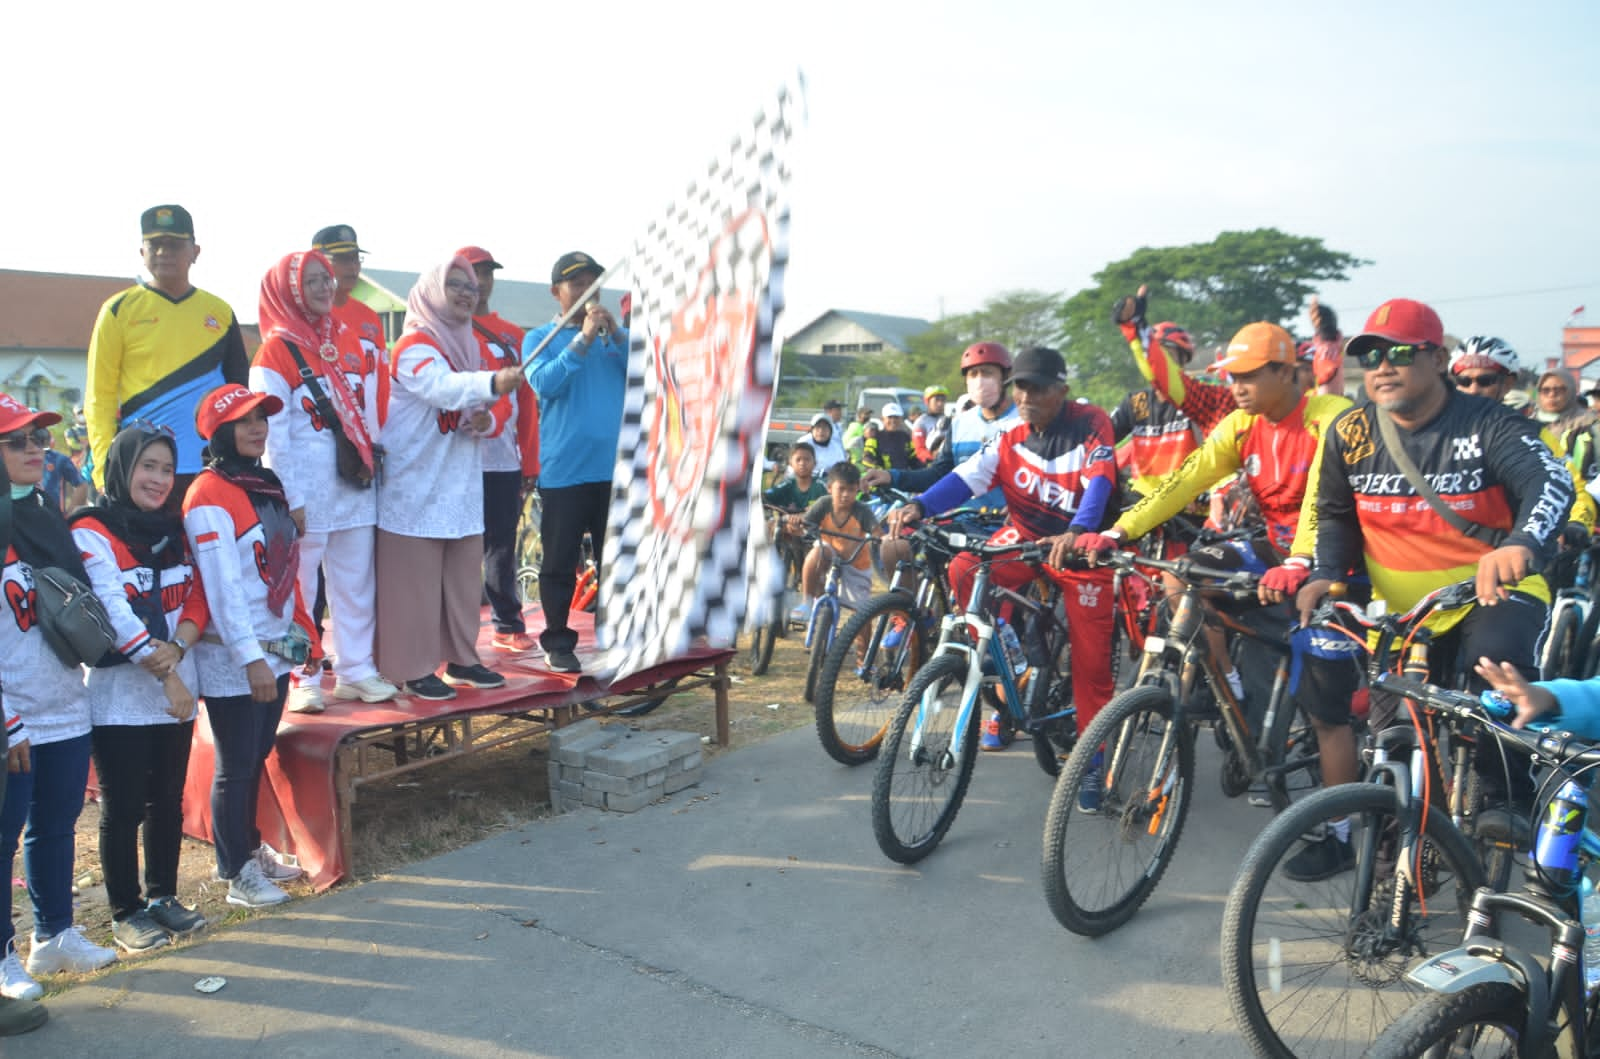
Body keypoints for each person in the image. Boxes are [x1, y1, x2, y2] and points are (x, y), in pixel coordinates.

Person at [1290, 298, 1575, 879]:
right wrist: (1326, 572)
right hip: (1404, 611)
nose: (1382, 366)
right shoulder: (1351, 430)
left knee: (1490, 667)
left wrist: (1520, 542)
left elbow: (1550, 482)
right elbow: (1335, 514)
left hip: (1492, 593)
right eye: (1369, 355)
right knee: (1390, 728)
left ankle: (1506, 799)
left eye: (1400, 352)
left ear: (1438, 358)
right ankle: (1404, 836)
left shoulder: (1490, 423)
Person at [1072, 322, 1350, 710]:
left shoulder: (1331, 415)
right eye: (1233, 377)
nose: (1237, 387)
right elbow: (1184, 480)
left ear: (1286, 372)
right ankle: (1224, 685)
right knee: (1177, 575)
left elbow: (1323, 499)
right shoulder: (1240, 423)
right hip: (1275, 551)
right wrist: (1118, 531)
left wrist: (1302, 560)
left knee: (1331, 717)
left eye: (1249, 376)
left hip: (1330, 560)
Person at [886, 348, 1120, 773]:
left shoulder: (1091, 423)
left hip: (1082, 552)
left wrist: (1078, 531)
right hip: (1028, 536)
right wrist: (919, 506)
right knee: (965, 567)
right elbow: (968, 476)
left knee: (1091, 666)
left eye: (1038, 388)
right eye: (1022, 387)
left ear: (1062, 391)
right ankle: (1009, 655)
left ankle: (1093, 764)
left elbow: (1100, 483)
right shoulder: (1011, 435)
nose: (1026, 396)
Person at [71, 424, 209, 952]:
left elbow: (196, 595)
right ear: (122, 468)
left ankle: (163, 898)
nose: (158, 479)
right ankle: (125, 911)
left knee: (167, 803)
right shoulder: (91, 531)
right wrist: (169, 673)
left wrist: (180, 648)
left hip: (177, 685)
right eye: (147, 467)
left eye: (167, 469)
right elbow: (115, 611)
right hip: (120, 699)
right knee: (123, 805)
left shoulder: (175, 531)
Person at [0, 395, 118, 999]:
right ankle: (2, 957)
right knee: (2, 838)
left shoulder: (47, 513)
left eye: (39, 440)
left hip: (64, 700)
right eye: (17, 441)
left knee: (56, 825)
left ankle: (53, 937)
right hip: (13, 713)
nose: (35, 451)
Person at [185, 383, 321, 908]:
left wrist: (304, 630)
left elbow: (287, 569)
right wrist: (249, 660)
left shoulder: (266, 483)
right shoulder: (208, 494)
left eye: (261, 418)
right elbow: (221, 591)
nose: (257, 428)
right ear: (220, 430)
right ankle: (236, 871)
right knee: (237, 762)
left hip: (277, 647)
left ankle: (250, 847)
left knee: (257, 753)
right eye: (244, 421)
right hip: (234, 656)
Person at [250, 250, 396, 713]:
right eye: (311, 280)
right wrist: (288, 496)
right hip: (305, 492)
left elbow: (370, 408)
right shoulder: (274, 350)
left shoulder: (347, 339)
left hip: (351, 485)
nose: (323, 287)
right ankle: (303, 674)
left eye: (326, 279)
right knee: (300, 589)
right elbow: (272, 436)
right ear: (289, 289)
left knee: (355, 583)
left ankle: (355, 671)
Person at [377, 256, 523, 696]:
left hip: (459, 485)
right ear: (432, 292)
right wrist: (491, 385)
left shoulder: (468, 347)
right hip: (415, 486)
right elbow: (441, 388)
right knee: (414, 587)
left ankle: (462, 660)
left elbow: (481, 411)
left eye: (471, 287)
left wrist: (482, 418)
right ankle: (412, 667)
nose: (465, 293)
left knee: (461, 582)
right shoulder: (414, 347)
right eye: (455, 284)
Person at [85, 205, 250, 498]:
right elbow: (100, 399)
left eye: (174, 245)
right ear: (142, 253)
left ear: (195, 251)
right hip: (146, 469)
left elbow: (239, 393)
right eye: (155, 245)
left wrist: (245, 458)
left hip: (213, 466)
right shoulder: (117, 311)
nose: (164, 253)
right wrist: (103, 471)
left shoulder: (220, 312)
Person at [521, 251, 626, 674]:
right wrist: (581, 341)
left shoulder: (615, 339)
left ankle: (619, 634)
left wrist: (615, 335)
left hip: (614, 471)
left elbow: (647, 370)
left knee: (616, 560)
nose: (588, 293)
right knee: (560, 561)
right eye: (578, 284)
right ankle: (559, 641)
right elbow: (544, 383)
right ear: (557, 293)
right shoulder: (540, 339)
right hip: (564, 471)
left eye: (594, 285)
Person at [459, 246, 539, 654]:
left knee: (502, 544)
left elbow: (527, 405)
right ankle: (453, 634)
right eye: (474, 273)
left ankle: (507, 622)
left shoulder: (514, 335)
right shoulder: (447, 330)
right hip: (457, 459)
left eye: (488, 272)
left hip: (503, 459)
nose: (482, 281)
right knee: (457, 547)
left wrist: (530, 458)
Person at [1108, 287, 1236, 500]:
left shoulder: (1201, 398)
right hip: (1141, 502)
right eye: (1156, 352)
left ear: (1183, 359)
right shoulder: (1136, 402)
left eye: (1166, 352)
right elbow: (1102, 441)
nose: (1159, 359)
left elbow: (1222, 453)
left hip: (1189, 502)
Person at [786, 461, 879, 620]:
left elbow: (877, 533)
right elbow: (804, 526)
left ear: (857, 489)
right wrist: (794, 525)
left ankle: (863, 645)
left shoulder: (862, 510)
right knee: (817, 553)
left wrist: (878, 539)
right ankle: (806, 602)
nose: (845, 494)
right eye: (841, 489)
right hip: (829, 554)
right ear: (830, 488)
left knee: (861, 615)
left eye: (851, 490)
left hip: (856, 561)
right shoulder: (823, 503)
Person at [312, 225, 388, 365]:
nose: (353, 267)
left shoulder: (370, 317)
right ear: (317, 263)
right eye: (343, 259)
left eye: (356, 259)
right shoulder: (307, 317)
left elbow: (382, 378)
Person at [40, 432, 86, 513]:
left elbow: (81, 485)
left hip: (55, 517)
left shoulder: (58, 459)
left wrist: (70, 512)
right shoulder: (17, 459)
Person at [868, 403, 918, 470]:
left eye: (896, 417)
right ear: (882, 419)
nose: (893, 420)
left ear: (901, 419)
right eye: (890, 417)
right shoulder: (874, 437)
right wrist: (883, 473)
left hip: (903, 477)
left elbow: (914, 459)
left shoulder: (906, 437)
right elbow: (867, 460)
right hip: (882, 478)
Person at [912, 384, 951, 462]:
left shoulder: (949, 420)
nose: (940, 403)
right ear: (927, 402)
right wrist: (932, 459)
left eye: (943, 400)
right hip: (930, 463)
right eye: (936, 400)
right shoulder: (921, 422)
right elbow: (919, 449)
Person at [804, 412, 848, 477]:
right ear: (812, 430)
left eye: (825, 427)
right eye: (818, 427)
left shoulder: (836, 447)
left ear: (830, 431)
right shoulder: (804, 444)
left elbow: (842, 467)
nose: (821, 431)